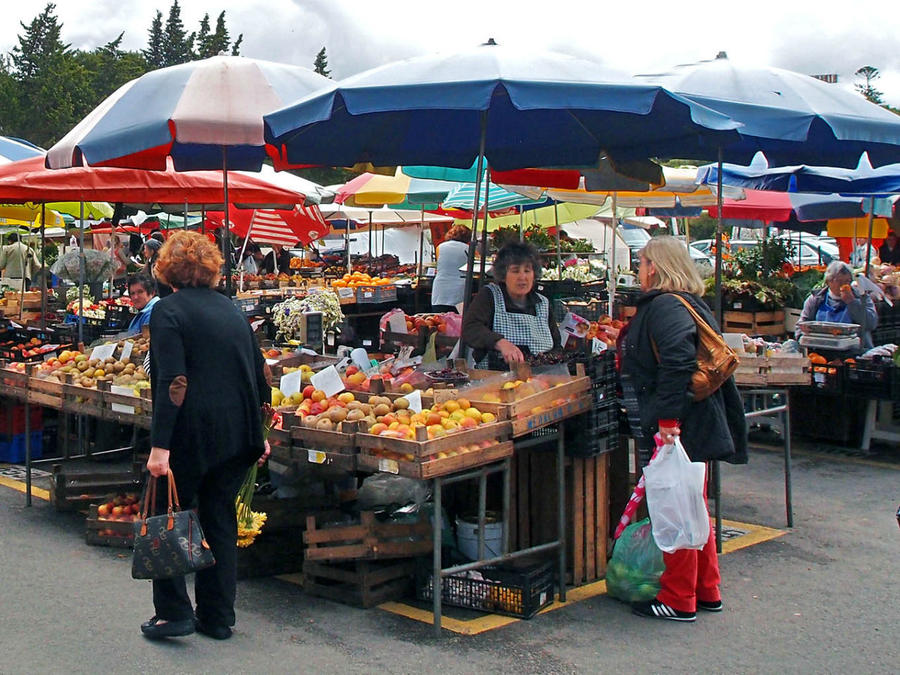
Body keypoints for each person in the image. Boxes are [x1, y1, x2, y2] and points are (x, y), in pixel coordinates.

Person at [607, 236, 747, 622]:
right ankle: (707, 588)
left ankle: (678, 597)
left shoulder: (667, 305)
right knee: (691, 504)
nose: (639, 269)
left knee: (675, 507)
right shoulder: (687, 302)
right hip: (692, 420)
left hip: (679, 423)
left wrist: (668, 421)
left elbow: (677, 361)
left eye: (642, 262)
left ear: (656, 266)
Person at [140, 231, 270, 641]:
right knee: (220, 519)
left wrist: (160, 448)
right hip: (237, 435)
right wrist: (262, 428)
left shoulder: (167, 311)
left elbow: (173, 382)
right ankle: (217, 617)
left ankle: (173, 612)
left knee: (169, 516)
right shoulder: (230, 309)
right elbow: (259, 369)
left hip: (190, 434)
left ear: (165, 270)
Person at [462, 241, 561, 367]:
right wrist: (500, 343)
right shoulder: (490, 296)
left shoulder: (543, 303)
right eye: (515, 271)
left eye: (527, 270)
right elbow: (470, 329)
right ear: (503, 275)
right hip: (493, 379)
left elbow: (556, 344)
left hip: (539, 380)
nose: (522, 277)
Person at [796, 260, 878, 350]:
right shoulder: (816, 299)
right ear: (829, 281)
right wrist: (803, 333)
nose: (844, 285)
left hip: (853, 351)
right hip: (821, 350)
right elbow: (800, 325)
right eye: (840, 281)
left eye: (847, 281)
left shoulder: (862, 298)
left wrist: (852, 302)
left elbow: (871, 323)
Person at [431, 225, 472, 312]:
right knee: (457, 321)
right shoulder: (469, 249)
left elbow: (440, 264)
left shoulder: (439, 247)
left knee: (440, 320)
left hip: (440, 288)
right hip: (460, 289)